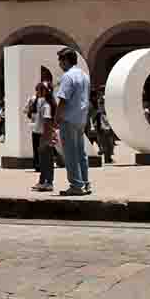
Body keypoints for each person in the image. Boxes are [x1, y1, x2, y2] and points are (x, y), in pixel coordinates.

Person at [54, 48, 91, 196]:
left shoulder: (68, 77)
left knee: (70, 153)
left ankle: (76, 185)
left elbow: (63, 99)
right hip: (81, 118)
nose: (59, 64)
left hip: (68, 119)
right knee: (81, 153)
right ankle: (86, 183)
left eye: (60, 61)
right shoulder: (84, 75)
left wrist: (57, 117)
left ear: (65, 61)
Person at [30, 82, 56, 192]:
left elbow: (47, 122)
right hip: (41, 134)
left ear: (46, 91)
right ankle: (42, 181)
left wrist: (45, 138)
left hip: (44, 135)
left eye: (41, 89)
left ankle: (48, 182)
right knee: (43, 160)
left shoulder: (46, 106)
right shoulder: (42, 102)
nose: (38, 91)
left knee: (47, 160)